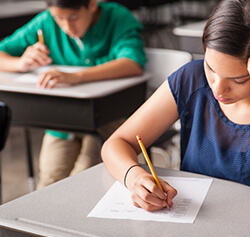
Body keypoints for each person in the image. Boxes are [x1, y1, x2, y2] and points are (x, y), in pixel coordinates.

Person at [101, 0, 250, 227]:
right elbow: (117, 143)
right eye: (211, 68)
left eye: (239, 80)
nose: (217, 88)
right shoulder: (191, 79)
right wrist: (135, 178)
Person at [0, 0, 146, 189]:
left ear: (92, 4)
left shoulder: (117, 18)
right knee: (48, 183)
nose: (67, 27)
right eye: (59, 18)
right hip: (63, 121)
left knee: (83, 178)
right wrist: (21, 63)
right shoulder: (46, 22)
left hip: (110, 119)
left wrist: (76, 76)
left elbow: (132, 63)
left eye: (74, 18)